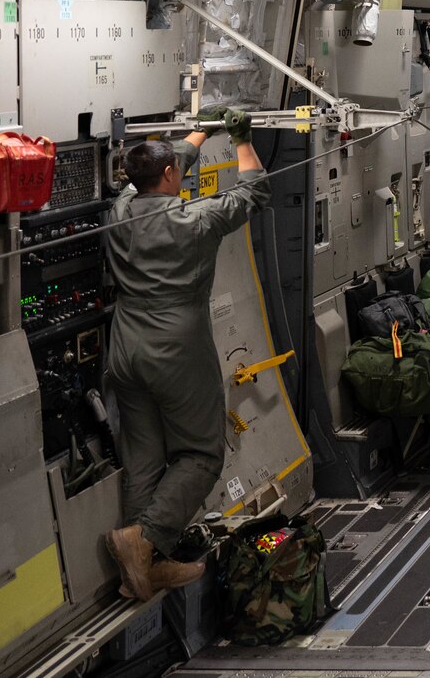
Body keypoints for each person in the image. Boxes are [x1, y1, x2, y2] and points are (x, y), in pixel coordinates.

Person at [102, 108, 270, 601]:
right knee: (201, 453)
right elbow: (255, 191)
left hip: (124, 348)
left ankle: (144, 572)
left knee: (144, 461)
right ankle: (145, 538)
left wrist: (200, 131)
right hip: (176, 350)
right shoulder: (195, 220)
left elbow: (158, 171)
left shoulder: (118, 210)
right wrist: (238, 138)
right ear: (171, 176)